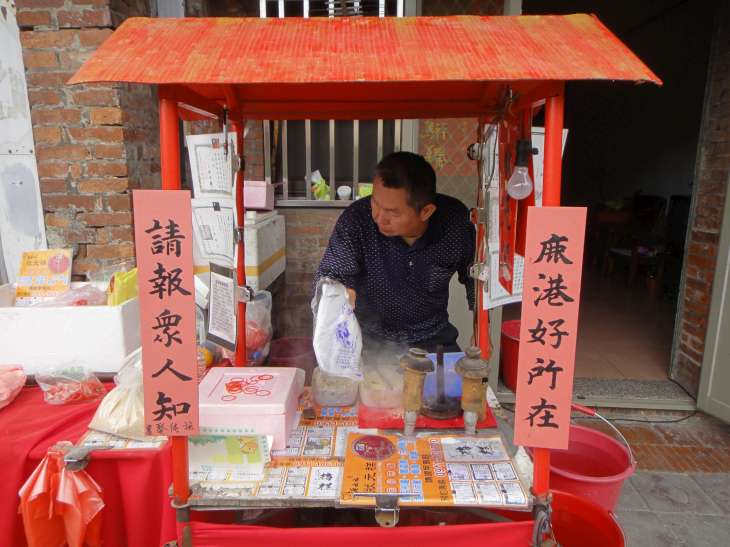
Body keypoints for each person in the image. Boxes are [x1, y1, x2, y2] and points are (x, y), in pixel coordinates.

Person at [314, 151, 475, 353]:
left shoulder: (454, 223)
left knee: (452, 383)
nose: (378, 217)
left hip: (432, 336)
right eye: (375, 203)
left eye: (392, 212)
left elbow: (476, 277)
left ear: (426, 211)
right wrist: (338, 292)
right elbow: (331, 274)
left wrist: (481, 331)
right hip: (367, 337)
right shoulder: (357, 219)